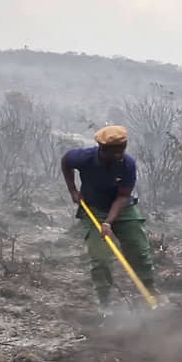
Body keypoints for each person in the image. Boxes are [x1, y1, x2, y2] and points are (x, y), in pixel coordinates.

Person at [61, 125, 155, 312]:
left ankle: (150, 293)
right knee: (100, 258)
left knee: (139, 249)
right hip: (94, 209)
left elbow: (123, 196)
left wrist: (108, 223)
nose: (120, 155)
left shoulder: (127, 164)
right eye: (115, 152)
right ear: (103, 149)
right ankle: (104, 305)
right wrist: (73, 190)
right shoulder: (84, 158)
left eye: (122, 149)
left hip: (124, 209)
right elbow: (66, 161)